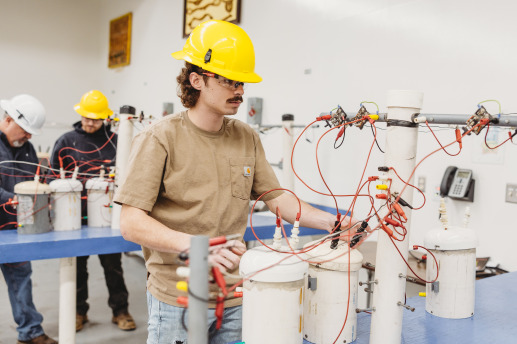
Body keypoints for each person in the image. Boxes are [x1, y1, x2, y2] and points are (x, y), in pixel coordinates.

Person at [114, 20, 355, 344]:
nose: (239, 90)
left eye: (242, 82)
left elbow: (277, 198)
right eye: (228, 80)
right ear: (197, 80)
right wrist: (196, 248)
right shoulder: (160, 137)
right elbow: (130, 223)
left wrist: (333, 222)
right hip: (179, 293)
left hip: (238, 290)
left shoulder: (246, 136)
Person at [49, 90, 136, 332]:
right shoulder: (66, 141)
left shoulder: (116, 141)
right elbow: (52, 177)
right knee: (76, 268)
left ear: (105, 118)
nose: (89, 123)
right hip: (74, 216)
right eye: (86, 118)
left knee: (113, 266)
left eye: (95, 119)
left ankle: (121, 311)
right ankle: (78, 313)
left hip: (107, 217)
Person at [0, 94, 57, 344]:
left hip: (15, 227)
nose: (29, 137)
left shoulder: (27, 149)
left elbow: (34, 181)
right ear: (8, 119)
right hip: (10, 215)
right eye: (25, 130)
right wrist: (13, 198)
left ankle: (31, 332)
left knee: (21, 278)